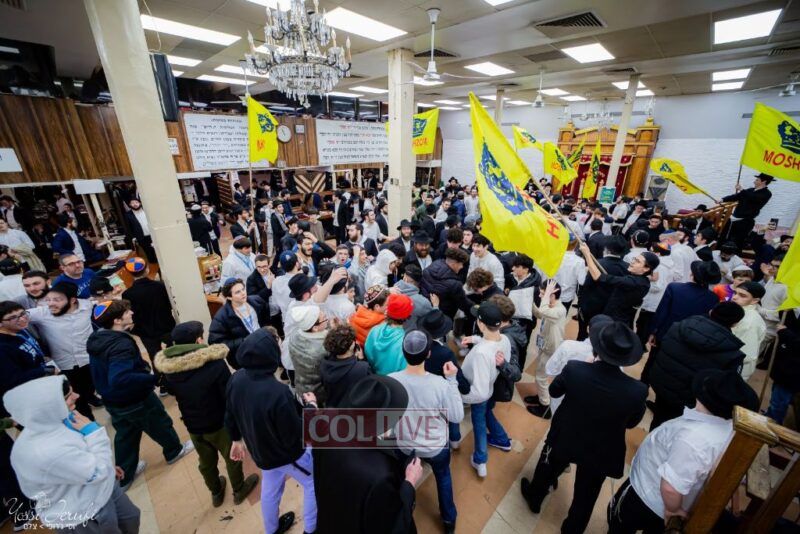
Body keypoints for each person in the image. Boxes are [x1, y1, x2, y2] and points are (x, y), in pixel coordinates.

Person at [520, 320, 647, 533]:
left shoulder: (576, 369)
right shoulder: (637, 391)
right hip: (602, 448)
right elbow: (632, 422)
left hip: (567, 434)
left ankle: (535, 497)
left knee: (548, 467)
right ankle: (573, 529)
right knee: (586, 497)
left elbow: (554, 392)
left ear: (597, 348)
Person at [608, 370, 759, 533]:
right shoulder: (729, 428)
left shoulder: (692, 439)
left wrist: (672, 510)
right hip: (675, 498)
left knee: (621, 522)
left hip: (649, 495)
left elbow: (670, 487)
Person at [4, 376, 142, 533]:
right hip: (84, 511)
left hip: (99, 488)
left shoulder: (57, 420)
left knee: (131, 517)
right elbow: (96, 472)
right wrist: (94, 434)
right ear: (51, 406)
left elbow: (84, 461)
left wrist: (106, 466)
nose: (77, 396)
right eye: (68, 396)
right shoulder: (45, 450)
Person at [88, 300, 194, 491]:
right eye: (127, 312)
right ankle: (174, 451)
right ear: (117, 320)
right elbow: (119, 377)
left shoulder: (98, 338)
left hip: (113, 400)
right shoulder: (120, 345)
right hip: (135, 398)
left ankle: (125, 475)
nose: (131, 313)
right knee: (159, 423)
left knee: (126, 435)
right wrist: (151, 379)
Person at [154, 321, 259, 507]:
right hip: (218, 423)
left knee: (206, 462)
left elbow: (171, 391)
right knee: (232, 457)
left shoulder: (170, 370)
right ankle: (239, 489)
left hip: (193, 425)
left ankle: (216, 492)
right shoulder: (214, 365)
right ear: (197, 341)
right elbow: (228, 394)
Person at [225, 328, 316, 534]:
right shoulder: (278, 392)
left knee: (270, 491)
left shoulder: (237, 378)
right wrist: (311, 407)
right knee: (312, 483)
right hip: (288, 455)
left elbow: (230, 413)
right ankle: (311, 529)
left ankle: (272, 530)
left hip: (260, 450)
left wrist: (236, 439)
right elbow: (296, 433)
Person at [313, 375, 421, 533]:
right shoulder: (380, 474)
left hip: (328, 517)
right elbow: (393, 526)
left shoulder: (325, 426)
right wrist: (409, 484)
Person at [391, 330, 464, 534]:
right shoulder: (440, 384)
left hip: (404, 444)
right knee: (443, 477)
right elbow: (457, 416)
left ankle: (401, 508)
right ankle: (448, 520)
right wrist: (452, 380)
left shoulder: (391, 381)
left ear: (403, 353)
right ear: (429, 354)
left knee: (402, 477)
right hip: (435, 446)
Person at [648, 301, 746, 430]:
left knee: (659, 418)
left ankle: (653, 436)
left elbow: (663, 349)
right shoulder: (732, 353)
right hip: (690, 399)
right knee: (676, 428)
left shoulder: (679, 326)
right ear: (735, 323)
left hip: (662, 382)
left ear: (711, 311)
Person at [28, 282, 100, 419]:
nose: (51, 304)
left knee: (91, 387)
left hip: (89, 359)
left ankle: (90, 396)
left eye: (57, 300)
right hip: (66, 365)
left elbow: (102, 303)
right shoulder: (42, 313)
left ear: (72, 300)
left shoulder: (86, 306)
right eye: (48, 299)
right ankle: (89, 423)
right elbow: (20, 316)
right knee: (78, 400)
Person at [642, 261, 722, 384]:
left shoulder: (675, 287)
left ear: (692, 274)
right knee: (676, 368)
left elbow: (662, 312)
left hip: (666, 333)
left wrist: (653, 331)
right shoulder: (713, 298)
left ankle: (644, 384)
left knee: (652, 361)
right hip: (691, 339)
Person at [461, 301, 512, 478]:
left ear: (481, 324)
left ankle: (480, 460)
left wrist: (462, 396)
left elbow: (479, 393)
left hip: (479, 394)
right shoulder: (504, 339)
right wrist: (474, 339)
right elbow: (491, 341)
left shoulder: (481, 353)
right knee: (487, 414)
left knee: (479, 423)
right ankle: (502, 439)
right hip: (491, 386)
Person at [121, 257, 176, 397]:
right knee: (173, 351)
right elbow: (170, 305)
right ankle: (177, 376)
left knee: (155, 356)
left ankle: (162, 384)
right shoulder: (160, 286)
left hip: (146, 331)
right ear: (146, 269)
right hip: (166, 325)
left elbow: (131, 315)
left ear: (129, 273)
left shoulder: (127, 294)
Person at [581, 241, 658, 328]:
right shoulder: (642, 280)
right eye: (634, 259)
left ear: (646, 268)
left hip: (614, 323)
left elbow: (598, 277)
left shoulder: (634, 282)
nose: (632, 262)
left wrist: (587, 254)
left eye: (638, 261)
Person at [524, 280, 568, 419]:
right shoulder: (550, 306)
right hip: (545, 344)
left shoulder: (559, 310)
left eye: (543, 294)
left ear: (552, 295)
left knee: (541, 377)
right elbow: (540, 314)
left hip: (551, 349)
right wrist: (530, 303)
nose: (540, 296)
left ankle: (544, 406)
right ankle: (540, 396)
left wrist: (547, 293)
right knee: (539, 373)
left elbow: (543, 311)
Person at [208, 278, 269, 370]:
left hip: (262, 347)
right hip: (244, 357)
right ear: (229, 297)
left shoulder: (257, 301)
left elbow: (266, 318)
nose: (243, 293)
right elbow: (216, 344)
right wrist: (243, 341)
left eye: (243, 289)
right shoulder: (221, 317)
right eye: (237, 292)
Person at [576, 236, 628, 340]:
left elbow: (586, 284)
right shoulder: (627, 267)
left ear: (607, 249)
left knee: (583, 333)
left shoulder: (597, 264)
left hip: (591, 306)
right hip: (611, 309)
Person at [0, 301, 51, 406]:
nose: (22, 319)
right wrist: (44, 371)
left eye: (23, 313)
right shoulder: (3, 347)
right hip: (28, 396)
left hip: (43, 384)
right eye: (13, 318)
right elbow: (13, 380)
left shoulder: (20, 330)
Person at [320, 324, 372, 408]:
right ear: (351, 346)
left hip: (333, 405)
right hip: (351, 408)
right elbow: (369, 386)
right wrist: (362, 359)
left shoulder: (325, 364)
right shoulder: (361, 368)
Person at [289, 305, 330, 404]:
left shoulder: (294, 336)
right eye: (325, 318)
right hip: (317, 395)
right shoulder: (324, 347)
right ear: (315, 328)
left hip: (300, 387)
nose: (327, 319)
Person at [365, 293, 414, 375]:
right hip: (394, 381)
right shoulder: (406, 343)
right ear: (407, 316)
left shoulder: (374, 331)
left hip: (376, 377)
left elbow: (369, 355)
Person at [722, 173, 773, 249]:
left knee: (737, 241)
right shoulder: (750, 190)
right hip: (734, 217)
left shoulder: (767, 194)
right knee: (725, 238)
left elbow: (753, 198)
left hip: (745, 221)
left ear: (764, 181)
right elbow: (737, 196)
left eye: (757, 180)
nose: (754, 182)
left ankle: (734, 255)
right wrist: (722, 199)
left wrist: (742, 189)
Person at [421, 248, 473, 320]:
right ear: (454, 264)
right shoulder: (455, 284)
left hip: (424, 308)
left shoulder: (433, 265)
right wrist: (476, 308)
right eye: (461, 264)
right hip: (443, 316)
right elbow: (464, 303)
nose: (462, 267)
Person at [764, 320, 800, 423]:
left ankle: (772, 423)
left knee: (779, 401)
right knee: (776, 396)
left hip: (793, 372)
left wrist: (785, 332)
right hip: (786, 368)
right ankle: (770, 415)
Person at [730, 281, 767, 381]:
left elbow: (746, 355)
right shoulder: (738, 311)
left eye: (742, 295)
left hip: (735, 370)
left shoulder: (750, 322)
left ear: (755, 300)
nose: (734, 297)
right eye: (735, 293)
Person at [124, 199, 157, 263]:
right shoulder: (128, 215)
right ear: (130, 205)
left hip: (153, 235)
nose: (135, 204)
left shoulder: (147, 210)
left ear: (140, 203)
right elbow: (128, 228)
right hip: (141, 237)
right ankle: (154, 265)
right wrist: (133, 237)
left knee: (158, 251)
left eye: (136, 202)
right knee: (149, 253)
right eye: (132, 203)